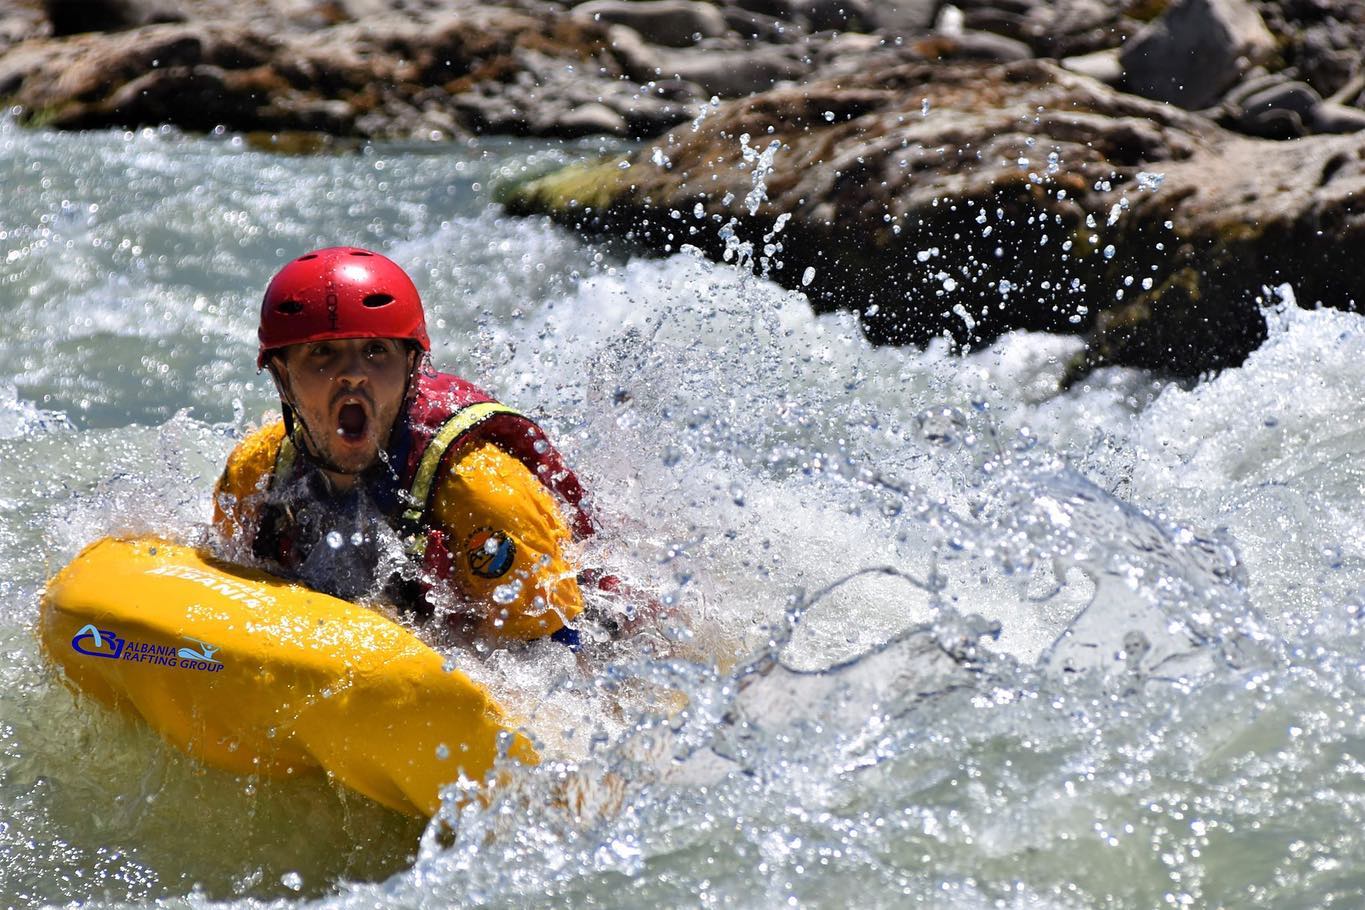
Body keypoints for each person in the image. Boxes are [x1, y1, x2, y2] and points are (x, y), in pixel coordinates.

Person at [212, 246, 594, 645]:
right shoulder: (257, 471)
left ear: (411, 368)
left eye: (375, 350)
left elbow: (561, 660)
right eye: (322, 352)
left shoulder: (482, 493)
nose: (352, 374)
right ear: (281, 376)